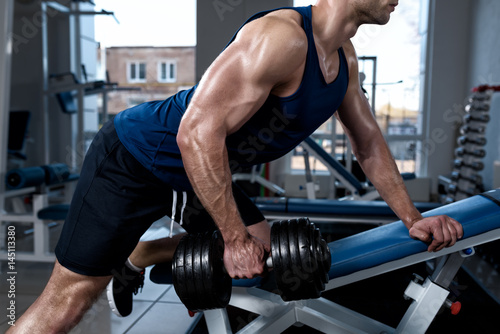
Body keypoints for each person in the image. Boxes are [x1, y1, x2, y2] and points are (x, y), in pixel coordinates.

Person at [9, 0, 464, 332]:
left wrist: (413, 219)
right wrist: (232, 238)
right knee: (70, 301)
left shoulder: (344, 58)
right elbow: (195, 134)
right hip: (133, 158)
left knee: (267, 245)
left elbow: (369, 145)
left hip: (199, 167)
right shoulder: (280, 37)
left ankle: (143, 253)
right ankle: (123, 260)